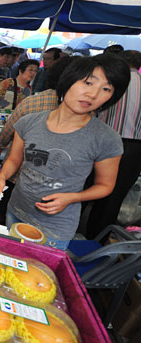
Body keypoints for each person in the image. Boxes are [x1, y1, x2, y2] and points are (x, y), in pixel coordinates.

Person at [0, 54, 130, 250]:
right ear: (69, 80)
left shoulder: (106, 139)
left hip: (56, 227)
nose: (93, 94)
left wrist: (72, 197)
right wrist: (2, 177)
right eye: (88, 83)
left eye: (106, 89)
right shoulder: (29, 122)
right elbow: (14, 159)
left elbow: (105, 185)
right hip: (16, 211)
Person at [86, 50, 141, 239]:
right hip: (134, 147)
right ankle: (97, 240)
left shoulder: (111, 84)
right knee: (113, 197)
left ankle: (70, 230)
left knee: (84, 187)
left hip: (100, 139)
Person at [0, 56, 76, 155]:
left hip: (21, 153)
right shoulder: (8, 83)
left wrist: (0, 144)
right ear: (20, 71)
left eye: (35, 71)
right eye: (30, 70)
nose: (33, 73)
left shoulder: (31, 93)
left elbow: (10, 128)